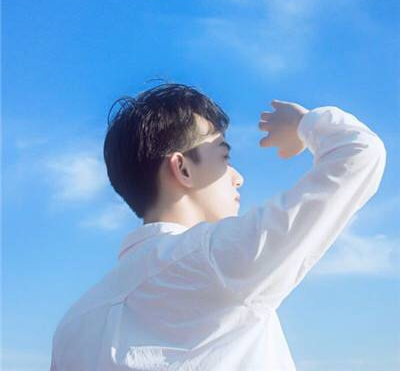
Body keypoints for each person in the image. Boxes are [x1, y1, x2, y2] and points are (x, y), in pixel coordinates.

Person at [50, 82, 386, 370]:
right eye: (224, 157)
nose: (238, 178)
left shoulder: (73, 325)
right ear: (182, 169)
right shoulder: (214, 260)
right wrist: (303, 123)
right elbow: (359, 154)